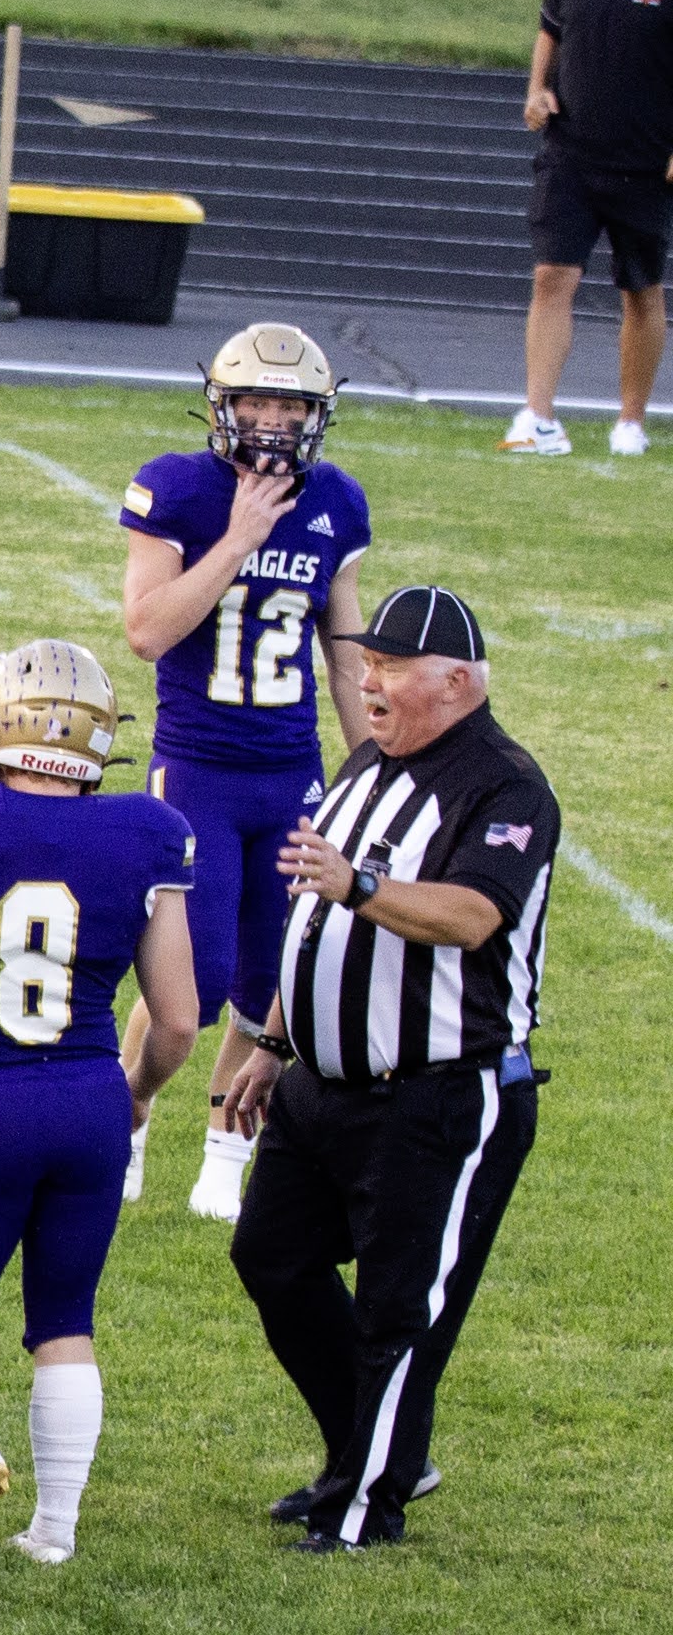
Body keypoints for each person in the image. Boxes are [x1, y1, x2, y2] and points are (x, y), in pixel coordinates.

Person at [225, 586, 560, 1554]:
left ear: (456, 682)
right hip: (320, 1088)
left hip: (439, 1093)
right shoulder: (368, 760)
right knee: (272, 1258)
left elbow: (472, 916)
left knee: (397, 1308)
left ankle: (366, 1506)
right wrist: (274, 1043)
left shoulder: (506, 787)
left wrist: (360, 883)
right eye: (368, 663)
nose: (368, 682)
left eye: (393, 668)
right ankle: (374, 1453)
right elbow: (315, 916)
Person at [0, 640, 197, 1571]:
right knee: (65, 1317)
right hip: (93, 1097)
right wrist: (136, 1095)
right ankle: (54, 1530)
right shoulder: (148, 830)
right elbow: (178, 1019)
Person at [115, 321, 370, 1222]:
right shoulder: (179, 488)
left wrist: (370, 770)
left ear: (317, 414)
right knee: (192, 982)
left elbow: (345, 651)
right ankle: (131, 1107)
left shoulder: (335, 500)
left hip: (291, 771)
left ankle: (226, 1148)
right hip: (197, 770)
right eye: (257, 400)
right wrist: (237, 539)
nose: (273, 420)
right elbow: (147, 631)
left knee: (273, 984)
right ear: (222, 405)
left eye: (292, 404)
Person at [510, 0, 673, 457]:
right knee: (552, 275)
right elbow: (549, 31)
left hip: (644, 164)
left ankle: (631, 422)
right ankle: (537, 416)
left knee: (641, 290)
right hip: (570, 154)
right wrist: (536, 90)